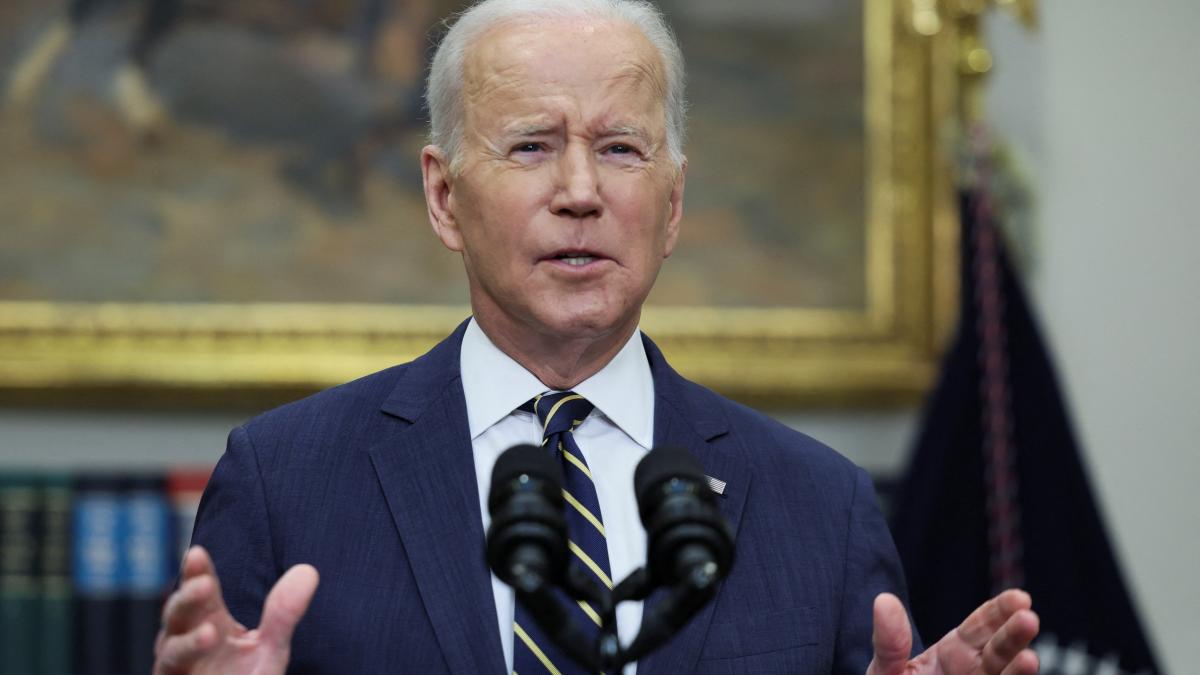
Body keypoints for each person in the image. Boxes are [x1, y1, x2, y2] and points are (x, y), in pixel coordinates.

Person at [152, 1, 1041, 673]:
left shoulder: (823, 506)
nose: (580, 189)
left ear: (674, 203)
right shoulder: (285, 480)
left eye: (620, 149)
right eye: (532, 146)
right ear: (443, 196)